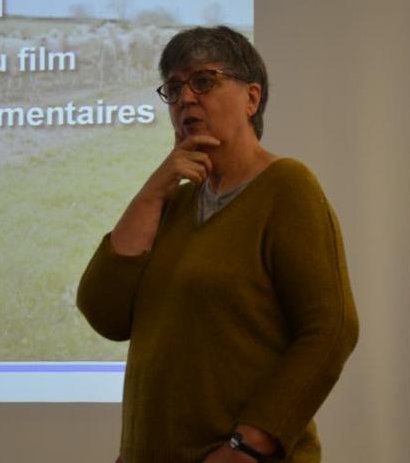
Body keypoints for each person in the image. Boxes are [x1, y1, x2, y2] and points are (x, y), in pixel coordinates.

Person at [77, 26, 359, 463]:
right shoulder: (175, 202)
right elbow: (104, 312)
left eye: (203, 81)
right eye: (173, 88)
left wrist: (250, 445)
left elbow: (333, 328)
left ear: (252, 98)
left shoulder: (287, 187)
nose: (186, 98)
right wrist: (152, 191)